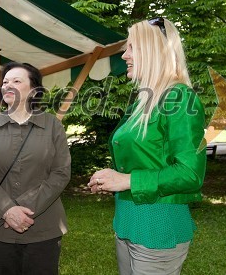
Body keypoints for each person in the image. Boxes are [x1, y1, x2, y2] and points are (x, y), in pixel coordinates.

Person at [88, 17, 206, 275]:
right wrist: (112, 177)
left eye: (131, 47)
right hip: (129, 222)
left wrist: (127, 180)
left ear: (153, 51)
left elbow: (190, 174)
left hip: (158, 228)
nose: (124, 55)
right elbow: (145, 158)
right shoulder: (143, 100)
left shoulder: (179, 98)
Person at [0, 62, 71, 275]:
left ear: (34, 90)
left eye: (17, 81)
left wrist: (22, 208)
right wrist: (6, 209)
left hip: (42, 228)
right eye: (5, 82)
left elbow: (61, 173)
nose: (8, 85)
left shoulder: (53, 126)